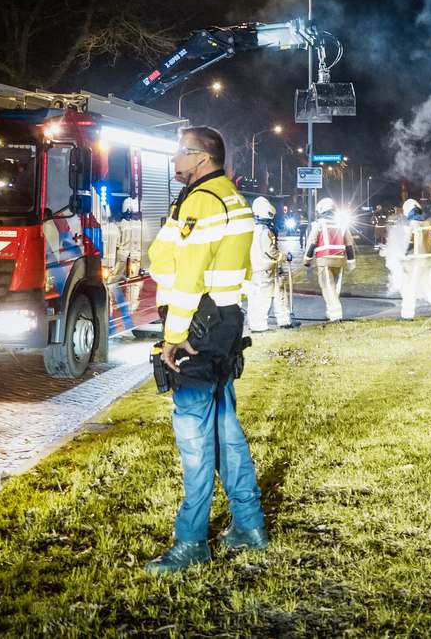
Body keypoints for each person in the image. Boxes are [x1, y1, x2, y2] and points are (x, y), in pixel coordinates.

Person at [145, 126, 267, 574]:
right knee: (226, 424)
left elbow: (190, 275)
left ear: (199, 157)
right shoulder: (232, 197)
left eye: (180, 152)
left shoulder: (200, 201)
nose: (174, 160)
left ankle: (192, 540)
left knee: (194, 436)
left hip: (197, 320)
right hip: (226, 320)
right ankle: (249, 526)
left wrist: (174, 336)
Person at [303, 197, 356, 321]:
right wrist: (351, 261)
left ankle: (336, 314)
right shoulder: (342, 225)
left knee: (328, 287)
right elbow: (349, 244)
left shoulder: (319, 225)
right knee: (335, 287)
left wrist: (307, 260)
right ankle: (330, 311)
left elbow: (312, 243)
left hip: (324, 260)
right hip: (339, 260)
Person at [247, 196, 294, 332]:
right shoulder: (264, 231)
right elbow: (271, 251)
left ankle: (257, 323)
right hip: (267, 270)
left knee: (258, 297)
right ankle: (262, 325)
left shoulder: (252, 229)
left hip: (258, 269)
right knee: (266, 298)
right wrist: (284, 257)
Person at [400, 198, 431, 319]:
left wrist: (404, 260)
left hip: (416, 262)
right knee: (427, 286)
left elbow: (409, 246)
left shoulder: (413, 225)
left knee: (410, 288)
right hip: (429, 261)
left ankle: (407, 315)